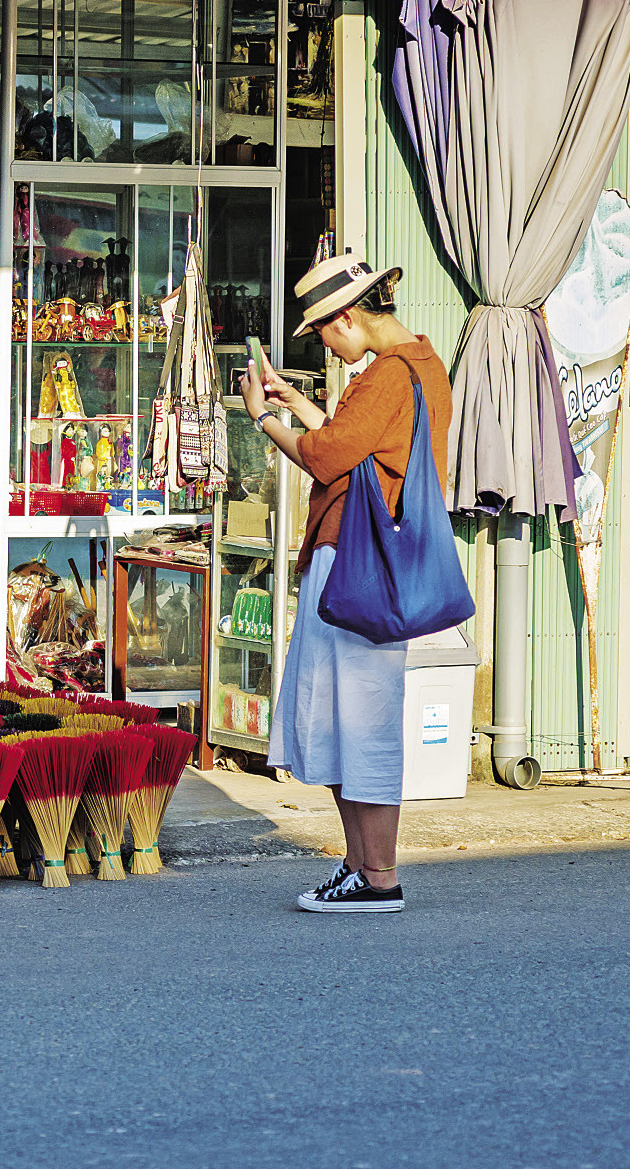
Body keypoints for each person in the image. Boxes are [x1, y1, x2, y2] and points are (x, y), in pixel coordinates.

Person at [240, 255, 453, 915]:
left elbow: (326, 456)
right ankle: (361, 866)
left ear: (347, 316)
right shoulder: (422, 366)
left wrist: (262, 418)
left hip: (355, 561)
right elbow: (353, 439)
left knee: (359, 718)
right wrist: (295, 400)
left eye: (323, 333)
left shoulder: (388, 377)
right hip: (373, 561)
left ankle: (379, 875)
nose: (327, 346)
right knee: (341, 717)